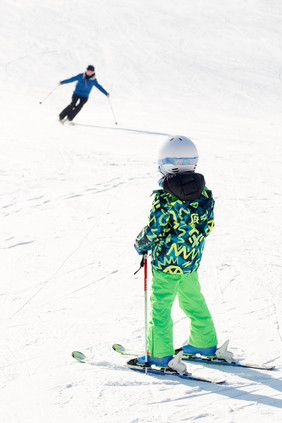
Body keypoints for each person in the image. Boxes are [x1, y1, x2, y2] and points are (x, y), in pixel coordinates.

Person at [134, 135, 218, 370]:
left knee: (160, 306)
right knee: (193, 300)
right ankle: (204, 342)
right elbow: (207, 226)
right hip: (190, 263)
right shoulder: (204, 194)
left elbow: (155, 230)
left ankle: (159, 354)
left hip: (166, 265)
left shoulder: (166, 198)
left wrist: (141, 243)